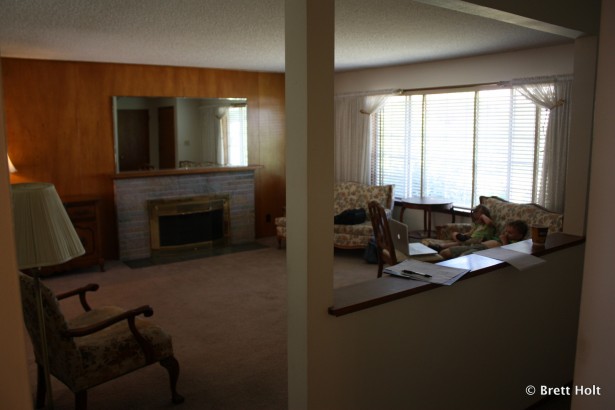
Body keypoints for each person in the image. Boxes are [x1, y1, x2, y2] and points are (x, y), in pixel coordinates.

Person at [441, 219, 529, 259]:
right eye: (506, 231)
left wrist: (504, 241)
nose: (506, 234)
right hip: (477, 245)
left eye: (510, 233)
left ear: (519, 236)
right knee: (444, 253)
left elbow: (507, 255)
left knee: (462, 258)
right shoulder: (502, 236)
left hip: (484, 252)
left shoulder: (516, 244)